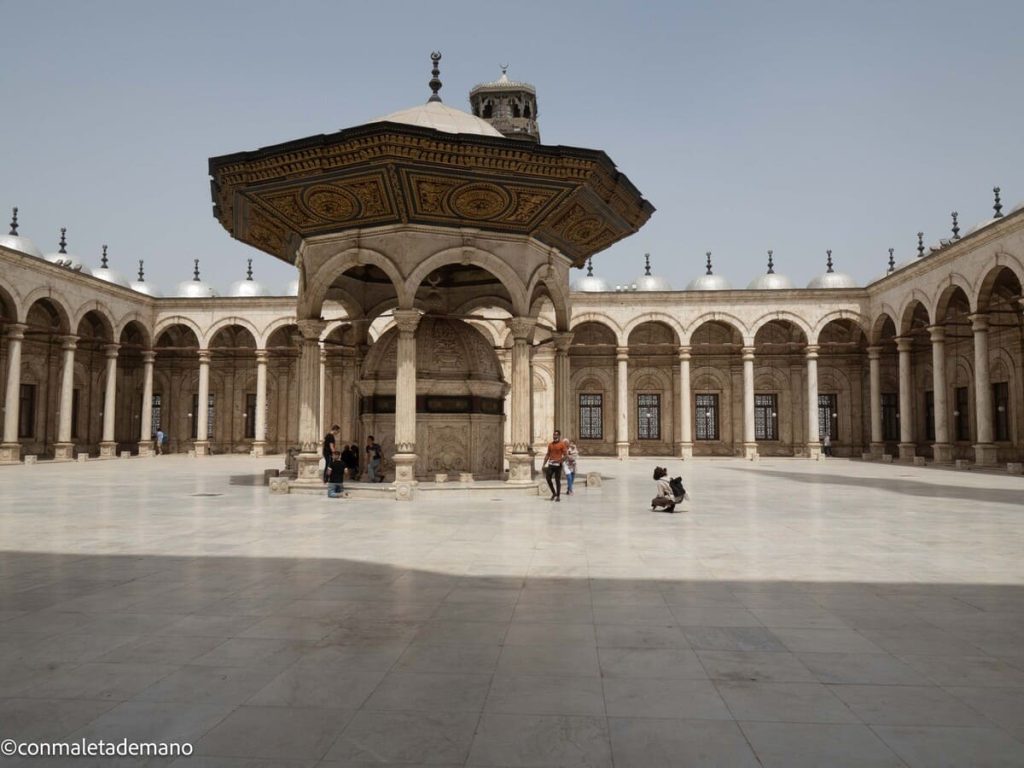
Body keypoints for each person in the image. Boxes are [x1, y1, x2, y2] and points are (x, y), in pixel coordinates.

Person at [542, 429, 569, 502]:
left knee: (557, 481)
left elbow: (566, 455)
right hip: (551, 464)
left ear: (559, 436)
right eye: (554, 435)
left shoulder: (562, 444)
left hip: (558, 465)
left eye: (556, 435)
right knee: (548, 478)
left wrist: (560, 460)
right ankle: (554, 493)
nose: (555, 436)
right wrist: (544, 464)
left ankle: (558, 496)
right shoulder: (550, 444)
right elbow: (548, 454)